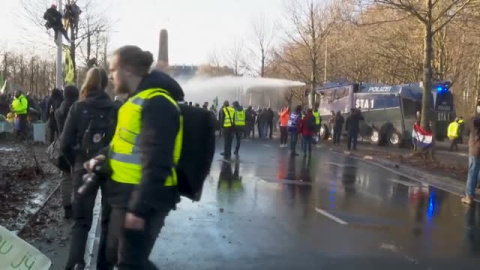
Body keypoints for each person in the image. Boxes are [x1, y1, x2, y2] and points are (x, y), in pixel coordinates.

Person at [103, 45, 185, 269]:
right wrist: (102, 158)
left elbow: (159, 159)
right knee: (115, 256)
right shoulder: (135, 100)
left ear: (127, 69)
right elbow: (125, 143)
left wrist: (138, 209)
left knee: (129, 264)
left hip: (143, 198)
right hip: (124, 194)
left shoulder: (157, 102)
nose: (110, 76)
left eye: (112, 69)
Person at [61, 68, 118, 270]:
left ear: (88, 82)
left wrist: (75, 163)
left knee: (82, 222)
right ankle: (104, 266)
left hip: (83, 168)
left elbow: (64, 144)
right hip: (111, 170)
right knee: (108, 223)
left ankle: (75, 264)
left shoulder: (78, 108)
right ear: (105, 84)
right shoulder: (116, 108)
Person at [55, 85, 79, 221]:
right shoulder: (79, 110)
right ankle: (77, 206)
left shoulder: (59, 112)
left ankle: (67, 208)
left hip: (63, 147)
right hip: (77, 148)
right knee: (78, 178)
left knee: (65, 179)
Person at [462, 116, 480, 205]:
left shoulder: (475, 120)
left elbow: (470, 122)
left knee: (472, 172)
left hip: (475, 149)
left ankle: (469, 196)